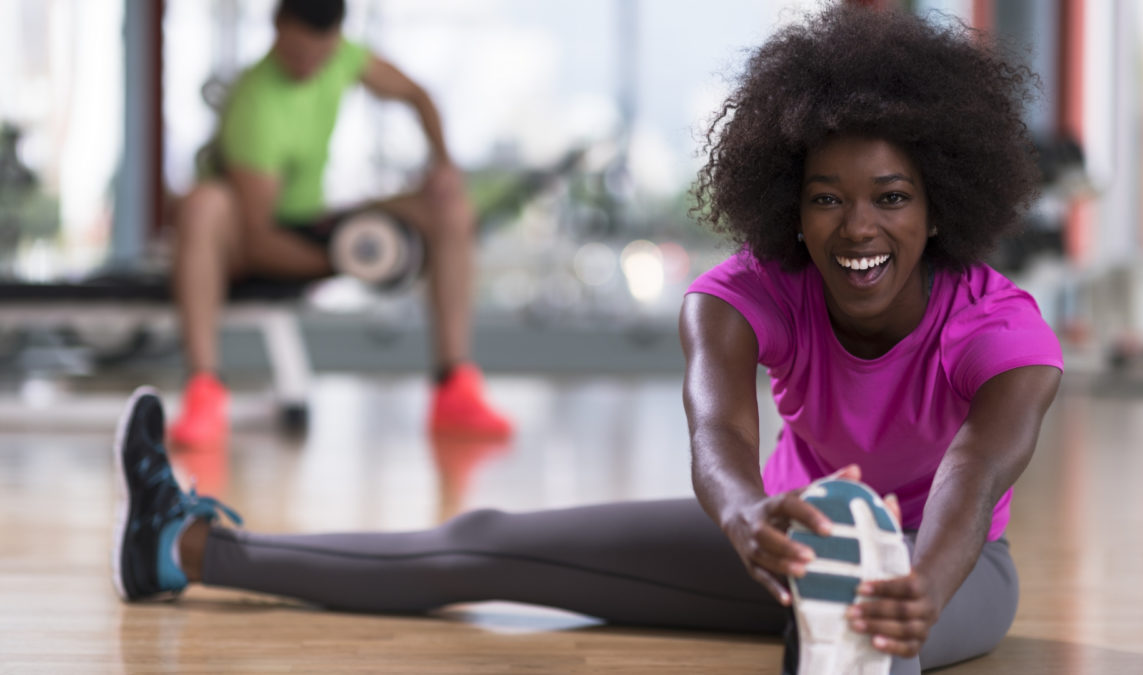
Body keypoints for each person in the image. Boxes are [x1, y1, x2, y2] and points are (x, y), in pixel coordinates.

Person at [115, 6, 1063, 673]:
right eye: (828, 199)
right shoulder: (741, 296)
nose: (860, 228)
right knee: (485, 538)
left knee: (858, 636)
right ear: (792, 209)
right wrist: (747, 525)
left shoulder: (999, 326)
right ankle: (184, 544)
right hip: (785, 538)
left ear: (940, 205)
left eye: (891, 198)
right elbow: (717, 438)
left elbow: (970, 477)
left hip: (952, 567)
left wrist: (923, 584)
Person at [169, 0, 511, 444]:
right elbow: (258, 240)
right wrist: (349, 257)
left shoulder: (345, 56)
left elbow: (417, 95)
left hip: (315, 221)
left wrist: (443, 164)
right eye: (298, 55)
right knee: (204, 203)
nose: (310, 65)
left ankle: (455, 389)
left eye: (320, 55)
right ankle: (205, 390)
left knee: (452, 211)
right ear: (277, 28)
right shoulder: (255, 104)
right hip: (253, 239)